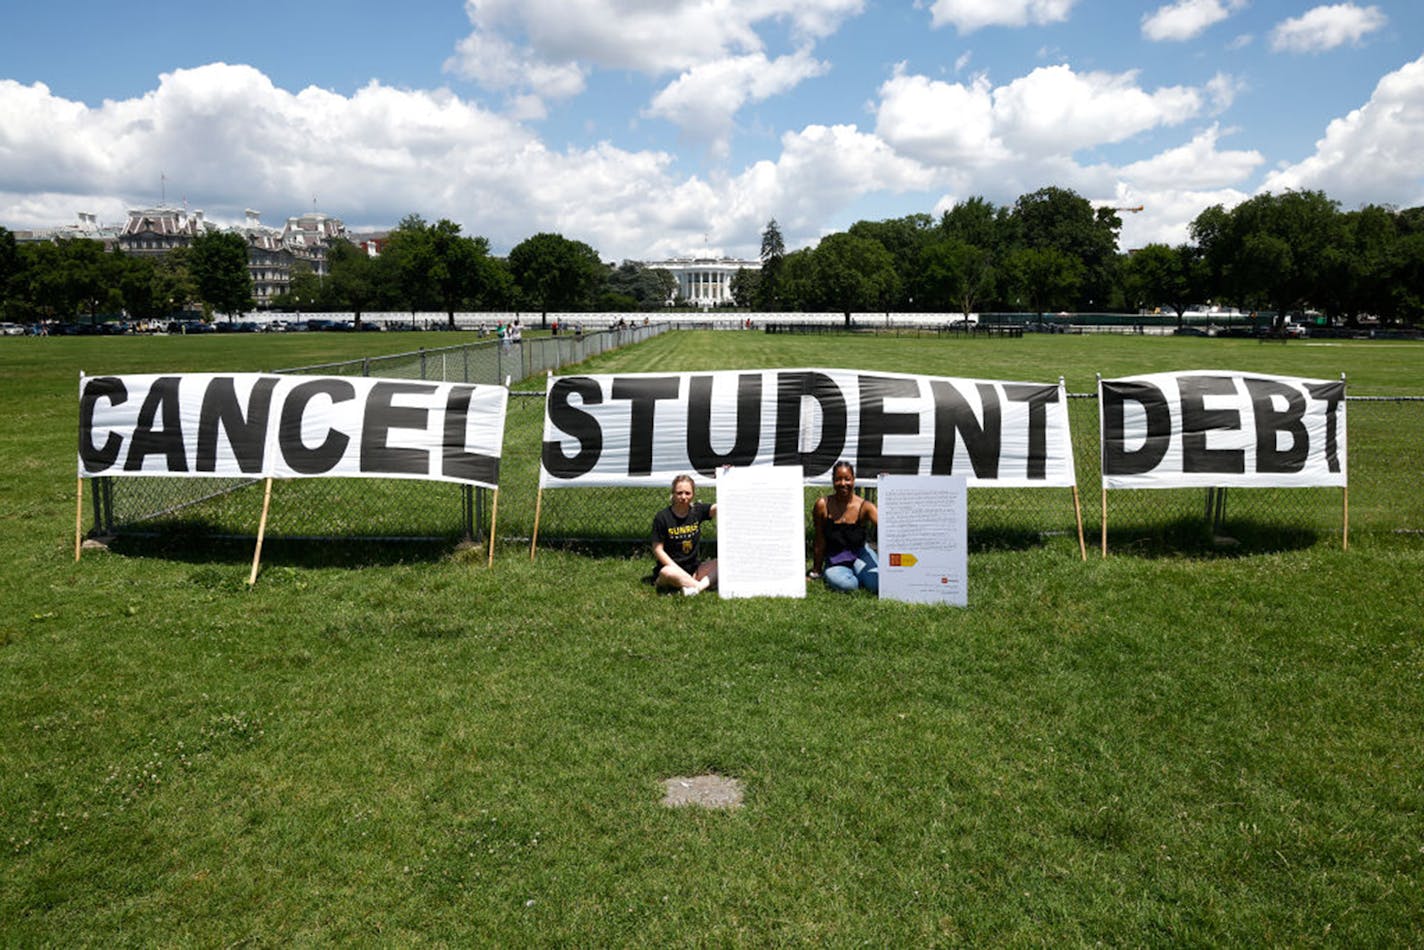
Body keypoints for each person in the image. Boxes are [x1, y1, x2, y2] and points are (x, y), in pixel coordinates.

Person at [810, 461, 879, 593]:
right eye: (838, 479)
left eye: (847, 479)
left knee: (875, 584)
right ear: (832, 481)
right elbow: (819, 539)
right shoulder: (822, 505)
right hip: (836, 557)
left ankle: (860, 572)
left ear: (853, 480)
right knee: (847, 586)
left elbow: (888, 529)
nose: (843, 484)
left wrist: (886, 490)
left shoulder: (865, 507)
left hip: (860, 553)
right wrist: (816, 571)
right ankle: (850, 574)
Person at [651, 474, 718, 596]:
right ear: (673, 494)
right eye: (679, 493)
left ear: (693, 495)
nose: (683, 497)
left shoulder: (697, 511)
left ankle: (693, 589)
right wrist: (679, 571)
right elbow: (657, 550)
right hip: (671, 569)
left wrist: (727, 477)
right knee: (667, 573)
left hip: (694, 569)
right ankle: (699, 586)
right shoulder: (662, 517)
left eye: (688, 493)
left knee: (720, 564)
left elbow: (720, 507)